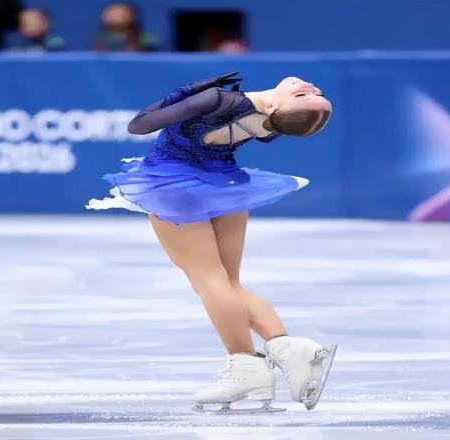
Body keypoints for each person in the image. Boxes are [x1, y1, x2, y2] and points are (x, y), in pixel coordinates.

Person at [86, 72, 337, 414]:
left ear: (275, 107)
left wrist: (186, 92)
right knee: (228, 283)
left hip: (174, 184)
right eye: (314, 93)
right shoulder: (271, 125)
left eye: (304, 97)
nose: (309, 88)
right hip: (227, 185)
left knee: (210, 280)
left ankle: (246, 366)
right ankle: (290, 349)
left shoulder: (220, 100)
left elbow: (139, 125)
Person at [92, 3, 158, 51]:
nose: (114, 16)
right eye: (110, 13)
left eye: (118, 13)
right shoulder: (100, 41)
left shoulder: (145, 40)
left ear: (131, 16)